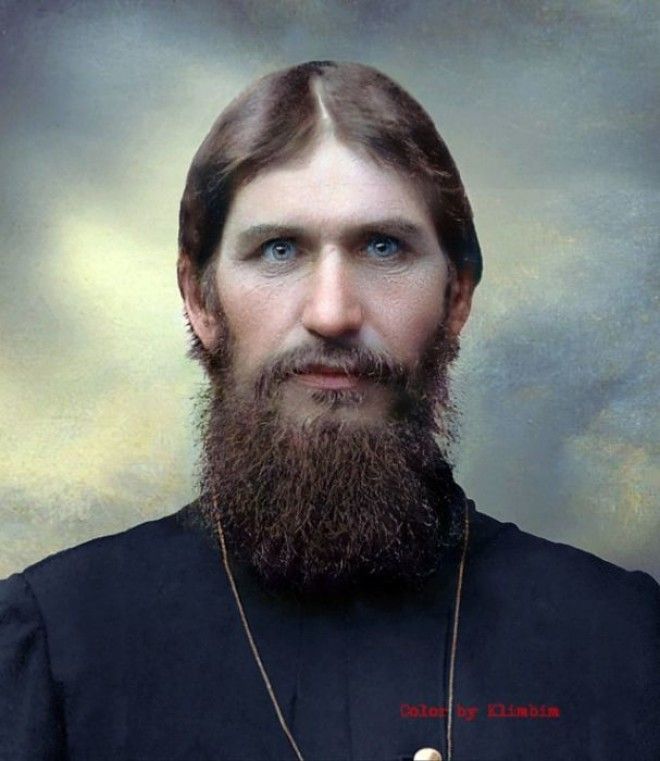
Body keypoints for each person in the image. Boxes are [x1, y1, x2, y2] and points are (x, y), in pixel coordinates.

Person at [1, 60, 657, 761]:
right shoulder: (54, 646)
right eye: (279, 249)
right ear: (200, 299)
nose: (333, 312)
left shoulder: (624, 640)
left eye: (383, 247)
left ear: (457, 295)